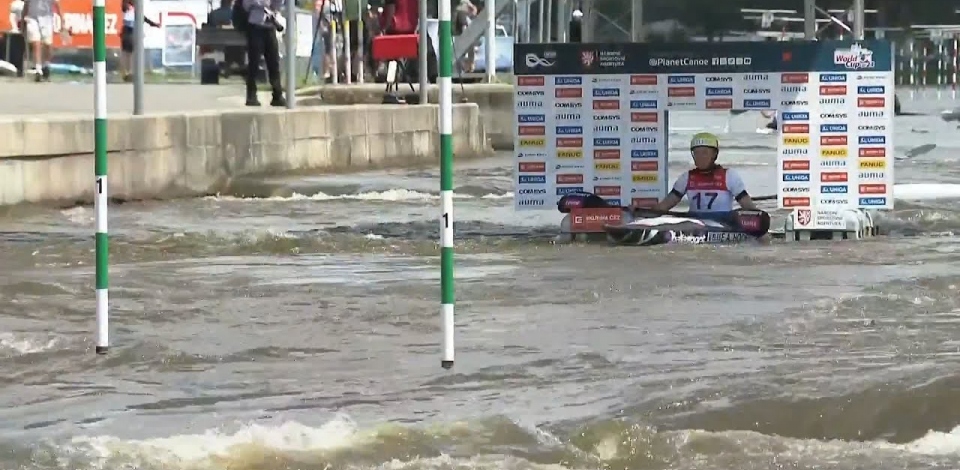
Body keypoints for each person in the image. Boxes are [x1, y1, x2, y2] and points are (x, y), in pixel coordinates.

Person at [651, 132, 768, 240]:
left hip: (722, 223)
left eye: (704, 153)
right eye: (696, 153)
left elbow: (749, 207)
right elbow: (665, 206)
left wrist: (761, 229)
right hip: (695, 222)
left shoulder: (729, 176)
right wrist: (641, 213)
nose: (700, 157)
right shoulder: (686, 177)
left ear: (714, 154)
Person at [241, 0, 287, 106]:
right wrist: (263, 3)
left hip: (270, 26)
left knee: (273, 62)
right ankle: (251, 95)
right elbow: (247, 4)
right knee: (254, 62)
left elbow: (279, 3)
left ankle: (277, 95)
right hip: (256, 25)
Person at [119, 0, 160, 82]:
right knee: (128, 53)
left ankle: (130, 72)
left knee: (130, 53)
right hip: (129, 32)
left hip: (131, 31)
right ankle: (128, 73)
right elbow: (127, 10)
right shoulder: (128, 9)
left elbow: (143, 18)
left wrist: (153, 24)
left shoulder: (133, 9)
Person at [21, 0, 61, 82]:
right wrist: (22, 21)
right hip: (32, 18)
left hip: (47, 19)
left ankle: (46, 66)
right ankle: (38, 70)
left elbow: (57, 5)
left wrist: (62, 22)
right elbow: (26, 4)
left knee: (48, 45)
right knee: (36, 43)